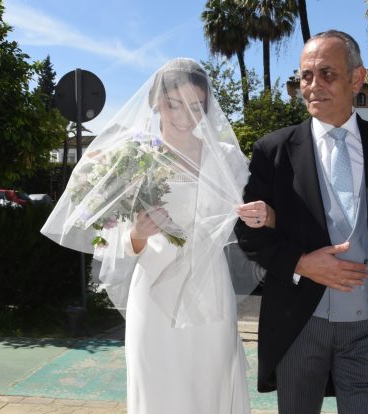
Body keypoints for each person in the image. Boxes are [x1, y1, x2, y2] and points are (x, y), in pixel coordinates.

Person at [42, 58, 268, 414]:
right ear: (155, 102)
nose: (184, 115)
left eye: (196, 106)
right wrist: (137, 234)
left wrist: (261, 215)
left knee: (212, 378)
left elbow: (253, 212)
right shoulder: (132, 156)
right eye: (174, 103)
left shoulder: (224, 157)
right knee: (159, 384)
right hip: (152, 290)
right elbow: (109, 236)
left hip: (210, 287)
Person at [234, 30, 368, 414]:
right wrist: (301, 263)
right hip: (299, 326)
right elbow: (246, 232)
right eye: (306, 76)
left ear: (356, 78)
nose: (313, 86)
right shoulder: (272, 150)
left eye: (327, 74)